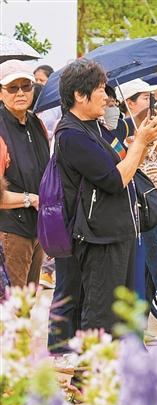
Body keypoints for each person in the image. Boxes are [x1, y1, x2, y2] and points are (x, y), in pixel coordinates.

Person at [54, 58, 157, 332]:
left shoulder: (96, 127)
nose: (107, 97)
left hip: (119, 230)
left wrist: (145, 140)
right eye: (101, 89)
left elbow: (126, 162)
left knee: (122, 316)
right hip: (98, 237)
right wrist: (140, 142)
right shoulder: (71, 134)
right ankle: (93, 362)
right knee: (102, 316)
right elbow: (115, 180)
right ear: (80, 95)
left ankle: (121, 359)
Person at [116, 78, 157, 345]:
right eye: (145, 97)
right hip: (144, 207)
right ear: (129, 103)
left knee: (146, 271)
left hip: (156, 202)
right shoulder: (126, 133)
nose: (151, 101)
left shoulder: (148, 124)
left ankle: (138, 326)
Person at [0, 60, 49, 288]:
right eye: (12, 88)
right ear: (1, 93)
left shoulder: (36, 123)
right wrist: (31, 199)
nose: (20, 93)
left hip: (37, 229)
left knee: (29, 300)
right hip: (10, 231)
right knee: (13, 303)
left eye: (26, 86)